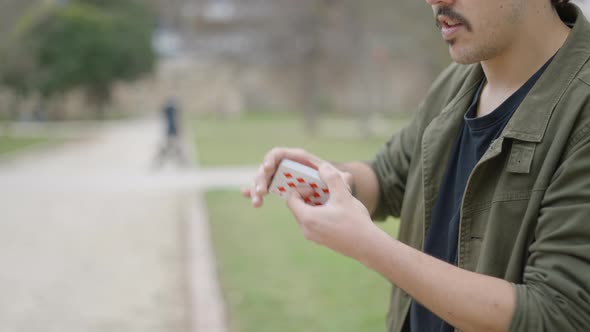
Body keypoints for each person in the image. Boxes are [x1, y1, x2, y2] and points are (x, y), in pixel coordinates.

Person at [243, 0, 590, 331]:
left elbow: (558, 313)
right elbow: (388, 177)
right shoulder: (458, 81)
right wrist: (328, 178)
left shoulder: (581, 110)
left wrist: (369, 246)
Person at [153, 97, 188, 168]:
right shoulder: (170, 111)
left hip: (172, 130)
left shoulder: (169, 111)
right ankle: (159, 162)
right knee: (170, 148)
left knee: (175, 148)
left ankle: (182, 162)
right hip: (171, 130)